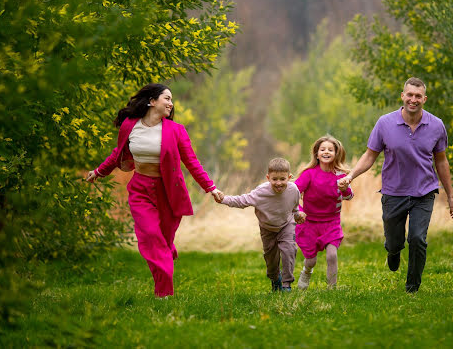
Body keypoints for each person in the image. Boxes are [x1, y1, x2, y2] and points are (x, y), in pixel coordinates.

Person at [86, 83, 221, 298]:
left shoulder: (176, 131)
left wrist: (210, 187)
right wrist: (99, 172)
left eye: (171, 99)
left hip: (168, 192)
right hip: (140, 189)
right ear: (152, 101)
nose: (171, 103)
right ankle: (165, 293)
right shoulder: (130, 126)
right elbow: (117, 153)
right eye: (166, 98)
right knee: (150, 236)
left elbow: (191, 162)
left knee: (162, 243)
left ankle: (166, 255)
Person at [338, 77, 453, 293]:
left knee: (417, 238)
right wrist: (351, 175)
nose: (413, 99)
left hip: (424, 191)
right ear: (402, 96)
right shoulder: (385, 123)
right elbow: (369, 155)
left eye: (418, 96)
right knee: (394, 242)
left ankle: (412, 287)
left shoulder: (436, 125)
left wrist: (450, 195)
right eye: (409, 95)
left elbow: (441, 161)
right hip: (394, 192)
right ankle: (393, 252)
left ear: (424, 99)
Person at [215, 158, 304, 292]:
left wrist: (298, 215)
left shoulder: (293, 189)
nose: (278, 183)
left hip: (286, 224)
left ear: (289, 177)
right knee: (271, 258)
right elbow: (242, 201)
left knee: (289, 250)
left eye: (282, 179)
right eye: (274, 179)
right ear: (268, 178)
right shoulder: (261, 192)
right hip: (267, 228)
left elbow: (294, 207)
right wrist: (224, 199)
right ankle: (275, 279)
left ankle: (287, 284)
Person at [294, 136, 354, 290]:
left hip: (331, 222)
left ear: (336, 153)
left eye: (330, 149)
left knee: (332, 255)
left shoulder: (340, 175)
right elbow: (293, 194)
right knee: (311, 260)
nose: (326, 152)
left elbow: (349, 196)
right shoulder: (309, 174)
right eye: (322, 149)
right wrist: (298, 212)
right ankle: (307, 272)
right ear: (316, 153)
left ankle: (331, 289)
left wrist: (344, 188)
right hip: (309, 222)